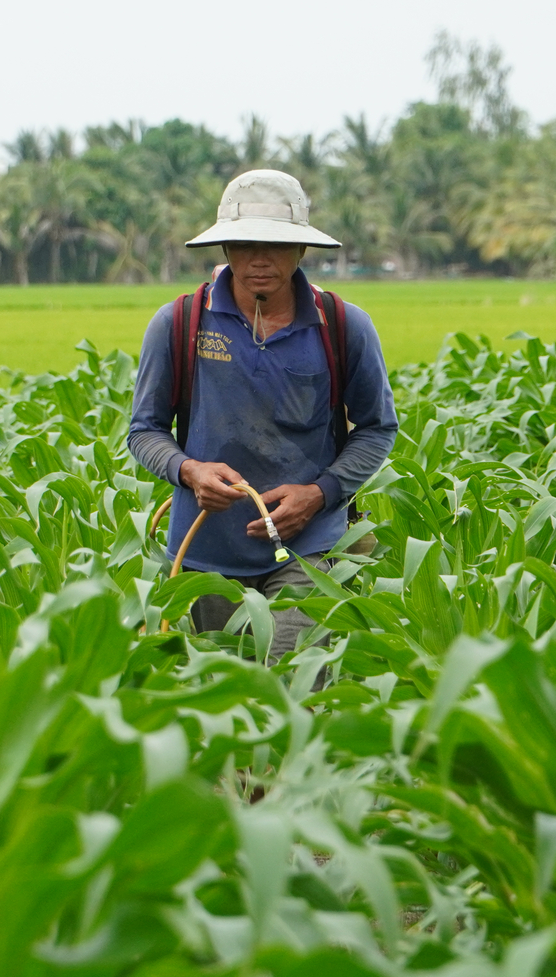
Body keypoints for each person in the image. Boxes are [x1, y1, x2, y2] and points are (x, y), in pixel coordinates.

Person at [126, 169, 398, 663]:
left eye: (275, 244)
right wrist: (191, 470)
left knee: (295, 678)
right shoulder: (179, 323)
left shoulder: (343, 325)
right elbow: (145, 430)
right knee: (230, 692)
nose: (259, 259)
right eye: (244, 243)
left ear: (301, 251)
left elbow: (378, 427)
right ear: (224, 249)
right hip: (207, 552)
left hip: (310, 549)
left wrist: (319, 495)